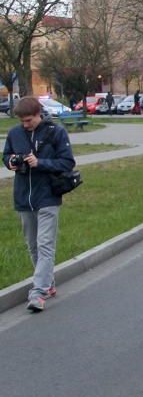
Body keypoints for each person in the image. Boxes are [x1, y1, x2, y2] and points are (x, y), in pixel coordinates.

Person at [3, 97, 76, 312]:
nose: (25, 125)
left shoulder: (56, 132)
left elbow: (67, 162)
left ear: (38, 114)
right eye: (22, 121)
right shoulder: (15, 133)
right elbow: (6, 155)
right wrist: (11, 162)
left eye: (28, 120)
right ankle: (48, 284)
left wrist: (40, 162)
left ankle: (38, 292)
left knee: (45, 245)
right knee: (33, 246)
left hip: (47, 196)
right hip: (23, 197)